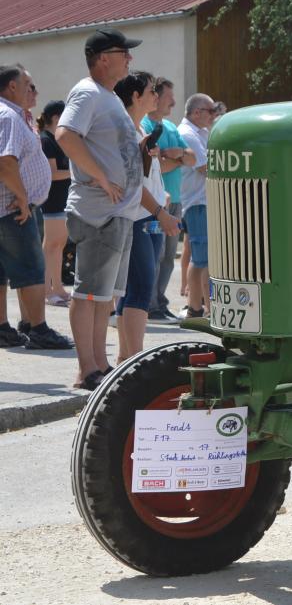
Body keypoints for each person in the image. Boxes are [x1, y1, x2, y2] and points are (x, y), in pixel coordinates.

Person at [56, 27, 147, 390]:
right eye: (124, 53)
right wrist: (100, 176)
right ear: (103, 58)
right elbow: (65, 134)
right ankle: (87, 368)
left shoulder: (106, 95)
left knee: (103, 296)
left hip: (118, 212)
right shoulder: (87, 91)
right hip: (100, 212)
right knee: (89, 292)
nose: (130, 59)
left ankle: (99, 364)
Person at [0, 65, 71, 350]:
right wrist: (21, 196)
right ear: (12, 87)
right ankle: (37, 328)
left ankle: (4, 328)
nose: (35, 90)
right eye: (28, 85)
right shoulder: (7, 116)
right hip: (12, 207)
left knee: (3, 272)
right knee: (30, 268)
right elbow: (6, 161)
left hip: (10, 206)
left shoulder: (15, 116)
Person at [112, 71, 180, 362]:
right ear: (136, 97)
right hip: (139, 217)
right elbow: (133, 185)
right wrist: (160, 212)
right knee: (139, 288)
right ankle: (134, 359)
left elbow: (147, 177)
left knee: (134, 289)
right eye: (152, 91)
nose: (157, 95)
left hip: (147, 216)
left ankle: (126, 358)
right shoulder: (127, 131)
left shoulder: (139, 130)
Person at [141, 77, 194, 323]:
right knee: (155, 253)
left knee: (168, 256)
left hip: (175, 200)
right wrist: (177, 160)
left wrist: (179, 154)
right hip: (156, 202)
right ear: (156, 97)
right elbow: (155, 167)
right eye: (169, 96)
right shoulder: (145, 126)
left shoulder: (171, 128)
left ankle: (159, 303)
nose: (173, 101)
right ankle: (149, 305)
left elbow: (193, 159)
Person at [178, 93, 216, 319]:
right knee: (201, 260)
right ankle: (196, 308)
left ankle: (207, 307)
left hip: (203, 202)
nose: (214, 114)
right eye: (210, 110)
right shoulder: (188, 134)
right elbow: (206, 167)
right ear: (196, 113)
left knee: (205, 258)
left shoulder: (200, 132)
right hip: (197, 204)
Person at [38, 100, 71, 306]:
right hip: (51, 202)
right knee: (51, 246)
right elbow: (51, 174)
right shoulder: (46, 140)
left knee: (59, 245)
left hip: (63, 201)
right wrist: (76, 172)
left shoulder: (58, 140)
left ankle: (57, 287)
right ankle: (47, 290)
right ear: (56, 118)